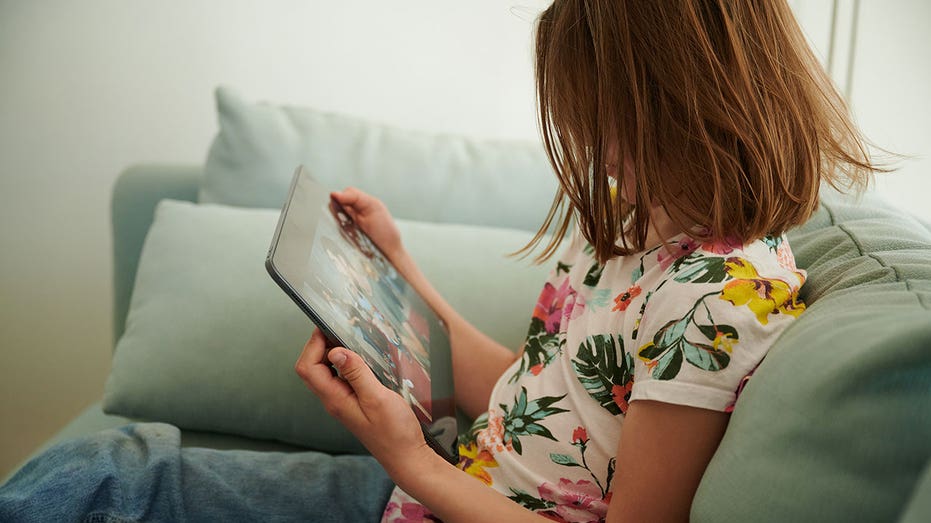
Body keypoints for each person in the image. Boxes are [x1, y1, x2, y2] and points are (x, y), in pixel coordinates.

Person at [0, 1, 884, 522]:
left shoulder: (724, 300)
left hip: (431, 492)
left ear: (683, 105)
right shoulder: (638, 225)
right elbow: (539, 396)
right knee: (110, 472)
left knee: (114, 480)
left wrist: (405, 457)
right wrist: (399, 268)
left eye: (600, 118)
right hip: (438, 482)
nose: (589, 145)